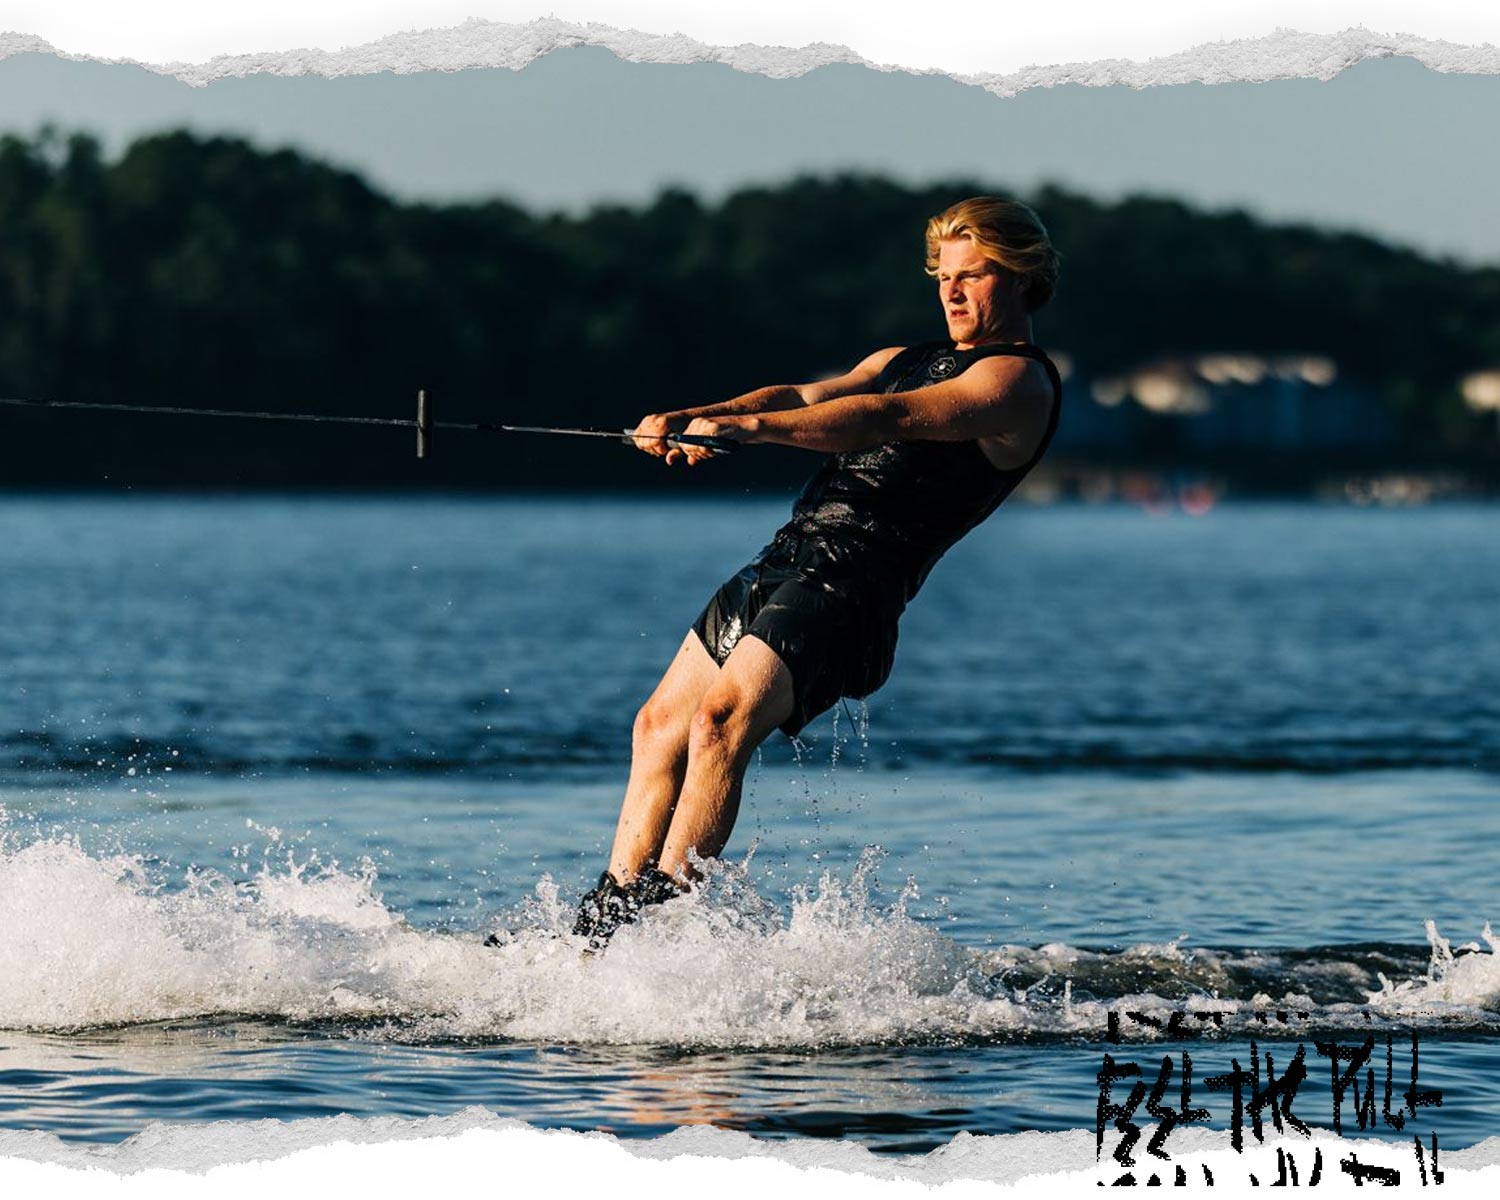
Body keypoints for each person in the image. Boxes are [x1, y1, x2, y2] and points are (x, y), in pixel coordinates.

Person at [573, 196, 1064, 947]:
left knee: (720, 722)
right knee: (658, 725)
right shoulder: (897, 360)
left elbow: (888, 419)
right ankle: (603, 925)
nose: (953, 292)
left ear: (1025, 276)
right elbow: (806, 396)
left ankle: (665, 927)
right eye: (944, 276)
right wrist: (696, 415)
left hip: (855, 586)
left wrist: (750, 431)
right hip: (790, 556)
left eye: (976, 275)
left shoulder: (1018, 386)